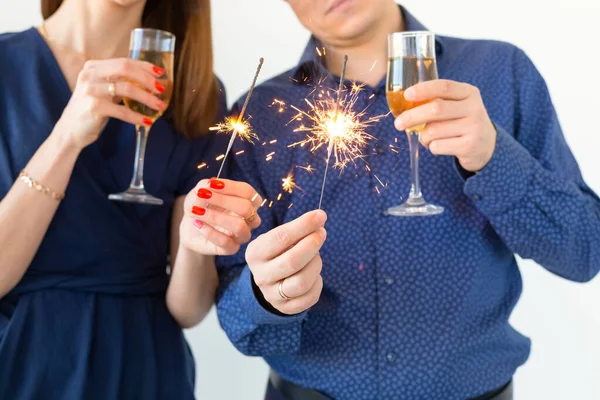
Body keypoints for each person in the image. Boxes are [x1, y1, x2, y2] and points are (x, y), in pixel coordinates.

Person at [215, 1, 600, 399]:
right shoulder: (256, 115)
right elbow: (235, 318)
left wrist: (494, 157)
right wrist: (266, 296)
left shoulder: (503, 72)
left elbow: (585, 251)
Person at [0, 0, 263, 398]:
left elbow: (189, 310)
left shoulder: (198, 91)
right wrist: (66, 137)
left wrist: (195, 243)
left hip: (147, 369)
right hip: (26, 360)